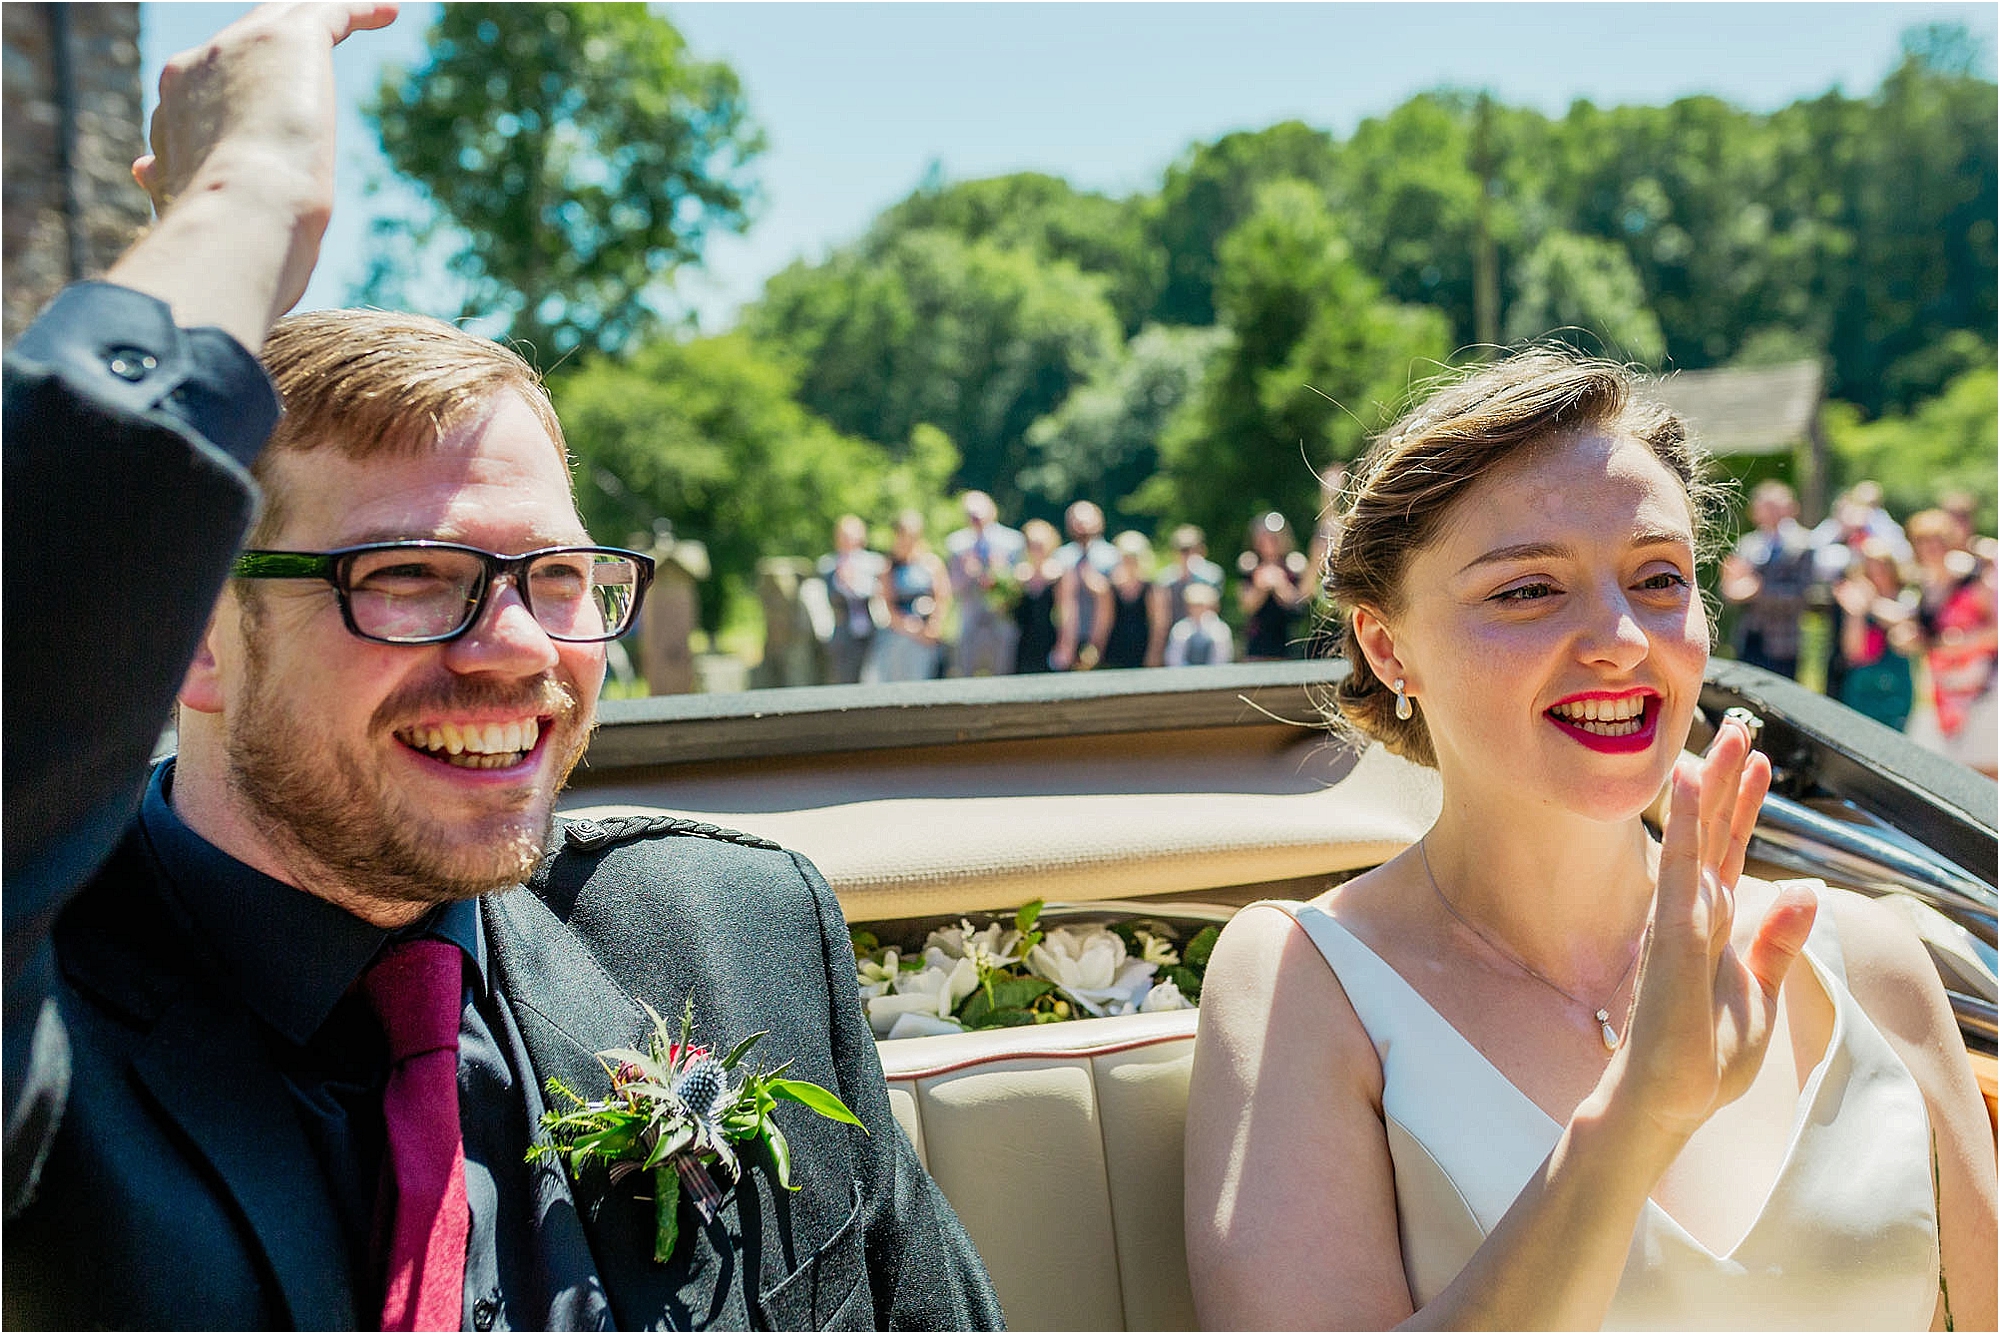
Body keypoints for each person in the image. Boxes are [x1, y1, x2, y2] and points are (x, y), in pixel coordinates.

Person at [2, 9, 1004, 1329]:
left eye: (559, 578)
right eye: (409, 579)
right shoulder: (49, 1008)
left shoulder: (734, 931)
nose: (524, 649)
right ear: (192, 626)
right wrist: (254, 201)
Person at [1184, 351, 1996, 1330]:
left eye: (1657, 577)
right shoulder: (1301, 979)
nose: (1617, 637)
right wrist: (1630, 1123)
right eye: (1527, 589)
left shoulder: (1868, 959)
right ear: (1385, 644)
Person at [1903, 508, 1998, 778]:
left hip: (1980, 691)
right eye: (1923, 542)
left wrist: (1964, 642)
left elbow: (1995, 630)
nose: (1930, 548)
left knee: (1983, 770)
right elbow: (1925, 636)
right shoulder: (1923, 585)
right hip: (1939, 692)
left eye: (1937, 541)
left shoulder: (1974, 578)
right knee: (1936, 772)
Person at [1719, 479, 1821, 680]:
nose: (1769, 512)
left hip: (1783, 643)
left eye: (1775, 506)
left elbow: (1802, 595)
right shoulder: (1747, 544)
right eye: (1764, 507)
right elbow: (1729, 588)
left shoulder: (1803, 544)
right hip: (1749, 638)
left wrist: (1758, 591)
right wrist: (1732, 590)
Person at [1832, 540, 1918, 731]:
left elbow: (1903, 622)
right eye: (1870, 569)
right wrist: (1856, 614)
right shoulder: (1856, 606)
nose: (1877, 574)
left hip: (1896, 687)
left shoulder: (1907, 597)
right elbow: (1854, 651)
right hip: (1862, 688)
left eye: (1882, 567)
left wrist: (1869, 603)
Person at [862, 509, 952, 683]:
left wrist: (932, 627)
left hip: (927, 636)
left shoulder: (931, 564)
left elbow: (942, 598)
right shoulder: (888, 567)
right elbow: (886, 606)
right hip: (897, 634)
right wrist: (910, 628)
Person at [944, 489, 1024, 678]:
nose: (975, 519)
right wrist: (967, 573)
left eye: (978, 514)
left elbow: (1021, 585)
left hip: (1001, 619)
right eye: (970, 515)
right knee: (965, 672)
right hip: (969, 619)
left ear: (992, 511)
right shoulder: (956, 543)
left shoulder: (1013, 541)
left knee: (1003, 673)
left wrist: (1000, 572)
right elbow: (950, 587)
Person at [817, 513, 884, 685]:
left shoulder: (874, 563)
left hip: (873, 629)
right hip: (843, 632)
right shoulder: (827, 565)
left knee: (873, 678)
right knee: (844, 680)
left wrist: (855, 584)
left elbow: (879, 592)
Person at [1147, 524, 1225, 667]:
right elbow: (1160, 622)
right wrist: (1155, 653)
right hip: (1176, 645)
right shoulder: (1165, 581)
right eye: (1183, 550)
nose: (1187, 555)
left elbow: (1214, 612)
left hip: (1206, 642)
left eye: (1192, 549)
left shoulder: (1212, 576)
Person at [1052, 500, 1116, 671]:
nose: (1081, 525)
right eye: (1076, 520)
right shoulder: (1061, 557)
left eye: (1086, 520)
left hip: (1107, 641)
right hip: (1069, 639)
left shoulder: (1112, 557)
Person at [1236, 511, 1309, 661]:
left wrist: (1280, 585)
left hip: (1287, 644)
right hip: (1257, 646)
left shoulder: (1294, 564)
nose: (1268, 543)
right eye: (1264, 538)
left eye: (1273, 538)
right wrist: (1260, 587)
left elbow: (1300, 605)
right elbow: (1246, 607)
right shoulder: (1249, 564)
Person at [1012, 518, 1063, 674]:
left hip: (1049, 638)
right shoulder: (1019, 574)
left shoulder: (1059, 574)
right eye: (1031, 545)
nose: (1036, 549)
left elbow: (1067, 613)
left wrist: (1064, 645)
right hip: (1024, 640)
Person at [1100, 530, 1156, 671]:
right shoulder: (1111, 588)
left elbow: (1158, 625)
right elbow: (1105, 622)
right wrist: (1098, 648)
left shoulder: (1151, 588)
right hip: (1116, 649)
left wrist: (1154, 653)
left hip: (1142, 649)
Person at [1163, 581, 1233, 668]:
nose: (1197, 609)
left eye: (1201, 605)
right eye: (1193, 605)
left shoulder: (1220, 629)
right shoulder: (1180, 628)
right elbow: (1174, 658)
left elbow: (1221, 658)